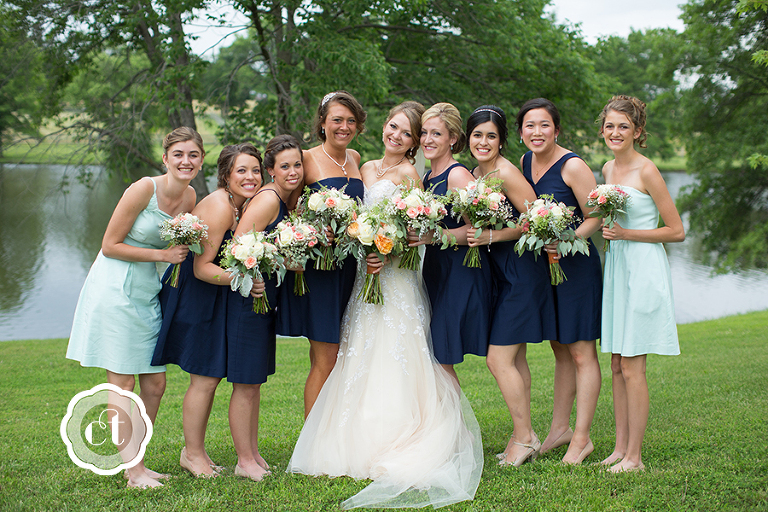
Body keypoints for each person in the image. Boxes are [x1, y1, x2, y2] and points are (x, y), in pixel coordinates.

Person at [287, 101, 483, 509]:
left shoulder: (410, 175)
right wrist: (362, 244)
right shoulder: (364, 165)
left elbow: (416, 229)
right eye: (394, 126)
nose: (397, 135)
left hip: (395, 276)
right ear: (383, 127)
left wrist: (387, 249)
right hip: (364, 272)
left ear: (413, 143)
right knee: (359, 347)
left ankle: (400, 437)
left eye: (407, 133)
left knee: (396, 349)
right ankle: (346, 436)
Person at [66, 127, 203, 488]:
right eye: (178, 154)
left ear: (201, 160)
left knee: (155, 384)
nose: (186, 161)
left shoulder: (190, 197)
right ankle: (133, 470)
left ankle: (136, 459)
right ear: (165, 159)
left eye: (193, 155)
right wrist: (162, 255)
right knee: (123, 382)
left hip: (147, 291)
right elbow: (109, 245)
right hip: (115, 286)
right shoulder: (143, 189)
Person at [151, 143, 265, 478]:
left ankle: (198, 452)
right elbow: (202, 268)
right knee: (204, 377)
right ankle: (192, 454)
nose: (250, 177)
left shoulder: (241, 204)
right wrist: (245, 280)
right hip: (196, 296)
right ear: (226, 175)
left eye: (255, 170)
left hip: (214, 295)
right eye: (241, 171)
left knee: (210, 375)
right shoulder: (220, 207)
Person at [465, 105, 557, 467]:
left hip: (521, 273)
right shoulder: (475, 173)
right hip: (498, 273)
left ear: (502, 140)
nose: (483, 142)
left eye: (491, 136)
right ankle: (524, 433)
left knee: (498, 359)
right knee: (516, 359)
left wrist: (492, 235)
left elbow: (536, 220)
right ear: (468, 138)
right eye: (477, 135)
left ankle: (524, 438)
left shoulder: (505, 172)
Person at [598, 95, 684, 473]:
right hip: (618, 268)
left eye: (624, 126)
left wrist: (626, 233)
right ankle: (620, 449)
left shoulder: (647, 171)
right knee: (617, 364)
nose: (616, 132)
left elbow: (676, 231)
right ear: (602, 130)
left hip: (644, 269)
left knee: (633, 367)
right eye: (610, 126)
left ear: (637, 131)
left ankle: (635, 457)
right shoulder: (607, 168)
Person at [517, 98, 602, 464]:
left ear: (556, 129)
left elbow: (596, 216)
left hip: (576, 268)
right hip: (547, 268)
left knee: (581, 352)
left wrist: (567, 240)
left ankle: (581, 438)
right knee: (559, 348)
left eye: (544, 125)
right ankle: (559, 429)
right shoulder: (525, 162)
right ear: (521, 132)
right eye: (530, 125)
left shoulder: (573, 166)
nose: (537, 132)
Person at [276, 91, 367, 418]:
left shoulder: (355, 157)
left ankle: (330, 428)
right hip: (320, 270)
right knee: (326, 358)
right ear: (323, 123)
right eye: (337, 120)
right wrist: (313, 233)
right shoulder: (306, 158)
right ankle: (312, 439)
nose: (344, 127)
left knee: (336, 355)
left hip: (350, 268)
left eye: (351, 121)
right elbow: (287, 210)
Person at [225, 134, 304, 481]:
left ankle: (253, 453)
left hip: (264, 298)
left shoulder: (281, 200)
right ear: (272, 170)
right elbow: (237, 248)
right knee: (245, 382)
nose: (293, 171)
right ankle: (243, 460)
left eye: (297, 165)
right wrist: (262, 274)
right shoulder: (269, 199)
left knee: (255, 381)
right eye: (285, 166)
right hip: (248, 300)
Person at [419, 102, 493, 382]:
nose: (427, 139)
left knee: (441, 353)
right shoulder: (426, 177)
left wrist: (436, 236)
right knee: (435, 352)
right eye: (424, 132)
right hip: (436, 269)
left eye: (436, 134)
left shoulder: (458, 175)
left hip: (460, 272)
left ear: (452, 138)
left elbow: (477, 230)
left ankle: (451, 413)